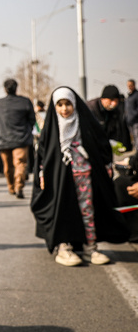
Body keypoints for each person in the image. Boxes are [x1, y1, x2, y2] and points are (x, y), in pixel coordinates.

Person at [31, 87, 128, 266]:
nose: (64, 109)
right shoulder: (51, 129)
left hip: (85, 177)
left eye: (68, 104)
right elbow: (44, 156)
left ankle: (90, 247)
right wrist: (42, 174)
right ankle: (64, 247)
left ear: (74, 104)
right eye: (59, 105)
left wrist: (106, 165)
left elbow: (101, 145)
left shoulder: (85, 125)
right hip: (60, 181)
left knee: (87, 211)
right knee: (63, 211)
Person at [0, 79, 36, 199]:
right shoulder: (25, 102)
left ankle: (11, 187)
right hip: (21, 139)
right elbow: (32, 120)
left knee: (7, 166)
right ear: (16, 88)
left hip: (3, 139)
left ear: (5, 89)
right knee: (20, 163)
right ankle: (19, 186)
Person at [86, 84, 132, 153]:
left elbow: (114, 130)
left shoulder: (115, 112)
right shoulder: (91, 108)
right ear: (103, 99)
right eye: (111, 100)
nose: (113, 104)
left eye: (116, 101)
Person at [125, 79, 138, 149]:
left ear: (134, 85)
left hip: (136, 120)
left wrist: (133, 115)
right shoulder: (129, 96)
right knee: (133, 136)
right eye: (128, 86)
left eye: (130, 85)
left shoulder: (136, 95)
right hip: (129, 120)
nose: (129, 87)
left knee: (137, 136)